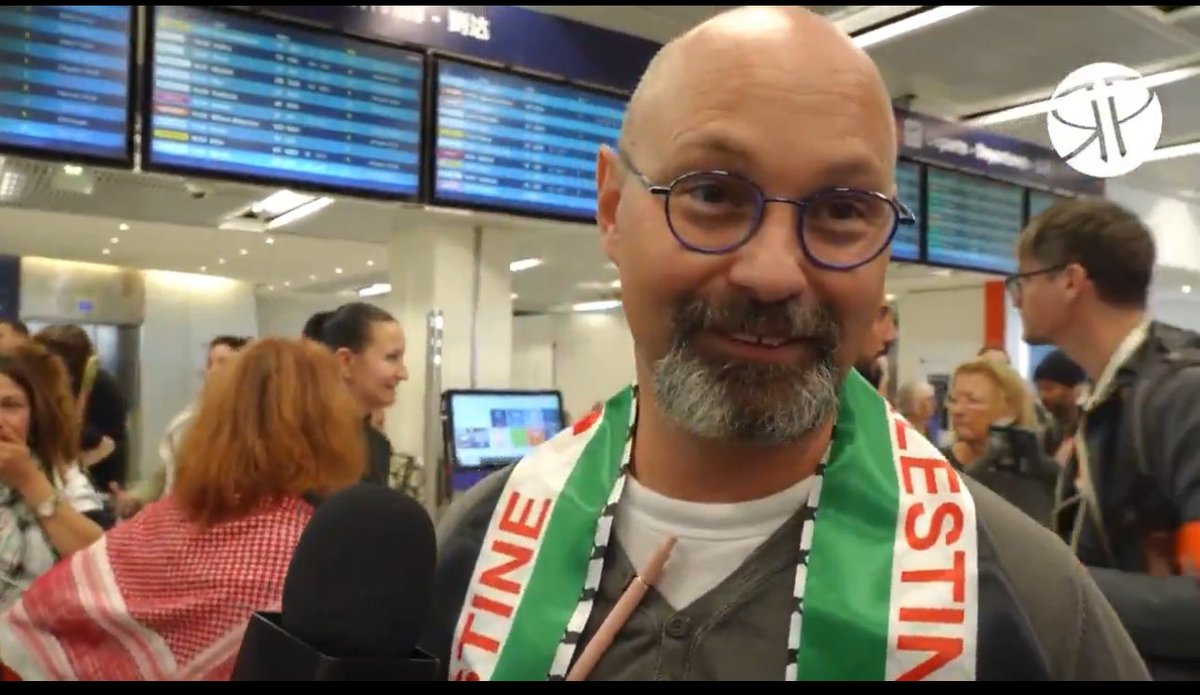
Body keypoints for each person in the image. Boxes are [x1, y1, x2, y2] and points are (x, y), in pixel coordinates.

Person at [424, 7, 1146, 682]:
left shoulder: (1028, 600)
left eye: (842, 209)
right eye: (712, 194)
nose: (772, 274)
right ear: (612, 209)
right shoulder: (478, 548)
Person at [0, 338, 367, 680]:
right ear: (328, 425)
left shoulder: (174, 514)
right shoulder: (308, 550)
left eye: (10, 405)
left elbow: (66, 596)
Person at [1011, 196, 1200, 679]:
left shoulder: (1181, 395)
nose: (1016, 298)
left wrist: (1050, 582)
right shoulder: (1115, 395)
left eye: (1024, 280)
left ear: (1071, 281)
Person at [0, 343, 106, 611]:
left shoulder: (59, 475)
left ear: (34, 416)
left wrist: (29, 480)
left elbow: (100, 564)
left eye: (10, 405)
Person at [111, 335, 251, 519]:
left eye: (223, 363)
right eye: (209, 363)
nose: (212, 371)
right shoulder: (189, 419)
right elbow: (167, 471)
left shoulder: (250, 426)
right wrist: (137, 497)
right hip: (178, 518)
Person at [942, 358, 1059, 527]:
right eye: (954, 400)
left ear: (1009, 410)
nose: (957, 410)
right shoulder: (933, 468)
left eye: (973, 400)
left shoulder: (1041, 474)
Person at [305, 303, 407, 486]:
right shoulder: (305, 448)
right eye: (392, 358)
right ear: (345, 362)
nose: (403, 374)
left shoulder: (375, 445)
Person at [1031, 349, 1086, 463]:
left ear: (1076, 390)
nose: (1043, 396)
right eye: (1039, 389)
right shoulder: (1046, 437)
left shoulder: (1092, 432)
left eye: (1049, 388)